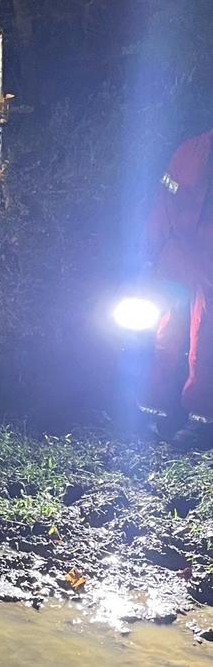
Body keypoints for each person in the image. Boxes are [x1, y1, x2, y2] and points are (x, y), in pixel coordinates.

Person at [139, 128, 213, 439]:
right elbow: (163, 203)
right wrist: (148, 253)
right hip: (177, 255)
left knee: (207, 339)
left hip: (207, 258)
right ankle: (150, 412)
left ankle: (201, 419)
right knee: (163, 332)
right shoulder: (189, 151)